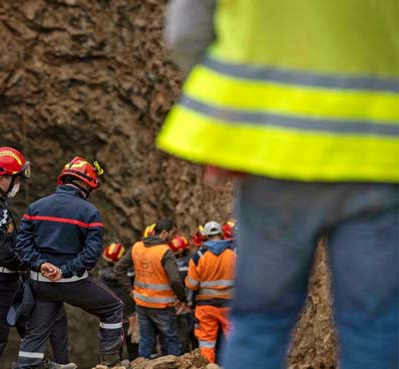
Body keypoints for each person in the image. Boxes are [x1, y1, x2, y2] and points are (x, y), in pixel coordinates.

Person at [160, 1, 398, 369]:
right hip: (380, 154)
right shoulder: (207, 254)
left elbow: (186, 32)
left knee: (259, 323)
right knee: (374, 325)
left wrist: (226, 116)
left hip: (272, 154)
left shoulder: (198, 256)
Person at [0, 147, 73, 369]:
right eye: (16, 179)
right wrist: (31, 264)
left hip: (6, 279)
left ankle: (33, 363)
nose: (18, 184)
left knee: (32, 319)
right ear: (2, 177)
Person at [14, 157, 124, 368]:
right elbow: (91, 255)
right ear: (86, 183)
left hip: (42, 283)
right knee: (113, 307)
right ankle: (110, 361)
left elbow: (22, 245)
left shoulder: (35, 207)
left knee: (36, 331)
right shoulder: (90, 212)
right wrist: (64, 271)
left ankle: (28, 363)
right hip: (73, 283)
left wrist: (41, 264)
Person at [115, 220, 186, 358]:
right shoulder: (165, 251)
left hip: (142, 304)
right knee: (170, 340)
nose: (174, 237)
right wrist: (182, 297)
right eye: (173, 233)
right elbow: (175, 280)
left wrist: (131, 291)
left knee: (146, 340)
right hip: (162, 306)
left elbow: (119, 268)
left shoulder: (137, 247)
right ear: (165, 233)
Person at [186, 222, 236, 363]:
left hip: (206, 307)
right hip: (229, 305)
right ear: (221, 234)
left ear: (205, 237)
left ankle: (208, 366)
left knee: (207, 343)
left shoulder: (198, 257)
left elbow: (192, 285)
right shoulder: (233, 254)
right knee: (234, 339)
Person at [98, 242, 139, 360]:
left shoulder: (101, 278)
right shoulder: (130, 275)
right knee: (135, 351)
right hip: (132, 317)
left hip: (111, 319)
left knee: (114, 352)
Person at [169, 235, 195, 354]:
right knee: (194, 336)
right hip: (190, 305)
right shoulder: (192, 261)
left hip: (176, 306)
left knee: (181, 337)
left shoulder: (170, 264)